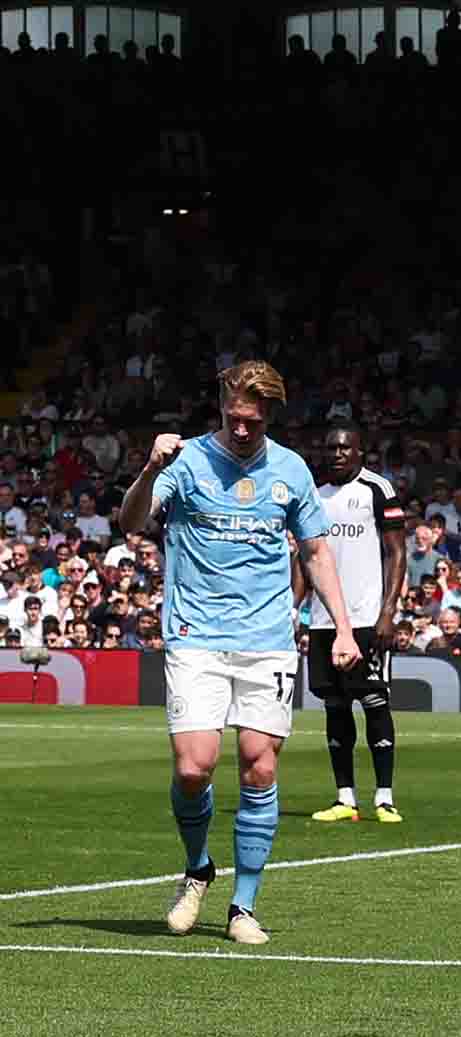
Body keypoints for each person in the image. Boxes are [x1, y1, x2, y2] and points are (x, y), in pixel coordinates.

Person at [118, 362, 360, 946]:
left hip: (267, 641)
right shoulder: (186, 461)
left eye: (252, 420)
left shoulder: (291, 471)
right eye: (233, 418)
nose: (242, 429)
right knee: (193, 766)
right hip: (194, 634)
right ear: (221, 409)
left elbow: (317, 552)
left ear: (269, 415)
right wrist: (150, 469)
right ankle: (198, 867)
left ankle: (242, 906)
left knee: (260, 764)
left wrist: (344, 628)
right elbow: (130, 521)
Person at [301, 423, 408, 824]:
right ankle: (345, 797)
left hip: (366, 616)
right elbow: (305, 557)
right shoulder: (314, 494)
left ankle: (384, 797)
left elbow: (396, 553)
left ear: (360, 451)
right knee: (334, 705)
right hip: (324, 619)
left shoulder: (379, 490)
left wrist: (387, 612)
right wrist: (298, 611)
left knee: (375, 701)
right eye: (331, 448)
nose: (337, 454)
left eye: (345, 448)